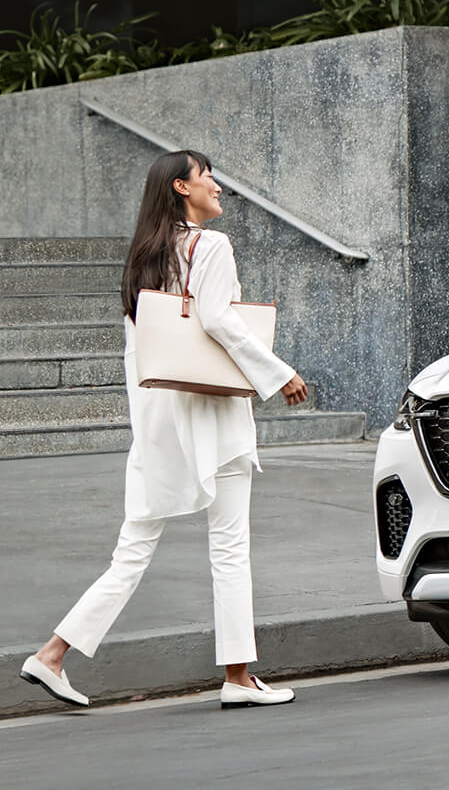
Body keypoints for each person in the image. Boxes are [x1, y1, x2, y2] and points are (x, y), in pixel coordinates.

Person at [19, 150, 309, 707]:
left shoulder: (144, 255)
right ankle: (238, 679)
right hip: (211, 416)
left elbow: (141, 352)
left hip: (159, 424)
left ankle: (52, 655)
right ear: (182, 186)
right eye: (207, 177)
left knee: (131, 553)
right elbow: (220, 319)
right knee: (228, 547)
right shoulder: (211, 245)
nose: (217, 186)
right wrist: (280, 373)